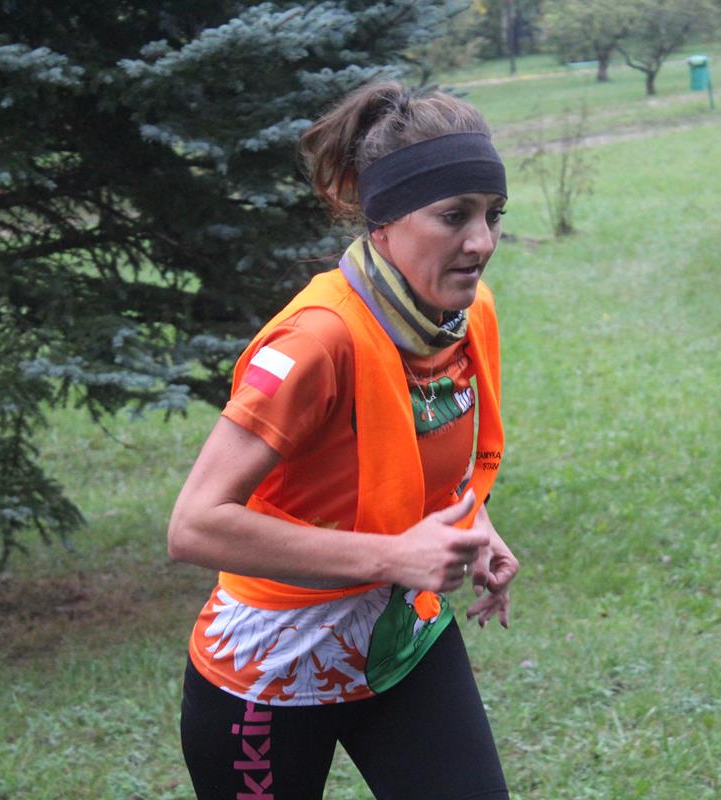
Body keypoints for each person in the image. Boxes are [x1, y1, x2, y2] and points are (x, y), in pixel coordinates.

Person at [167, 80, 519, 800]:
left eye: (492, 214)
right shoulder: (317, 341)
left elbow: (422, 455)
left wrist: (472, 523)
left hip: (400, 642)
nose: (482, 242)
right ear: (384, 221)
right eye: (453, 215)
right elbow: (194, 525)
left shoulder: (463, 315)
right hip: (271, 670)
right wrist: (392, 555)